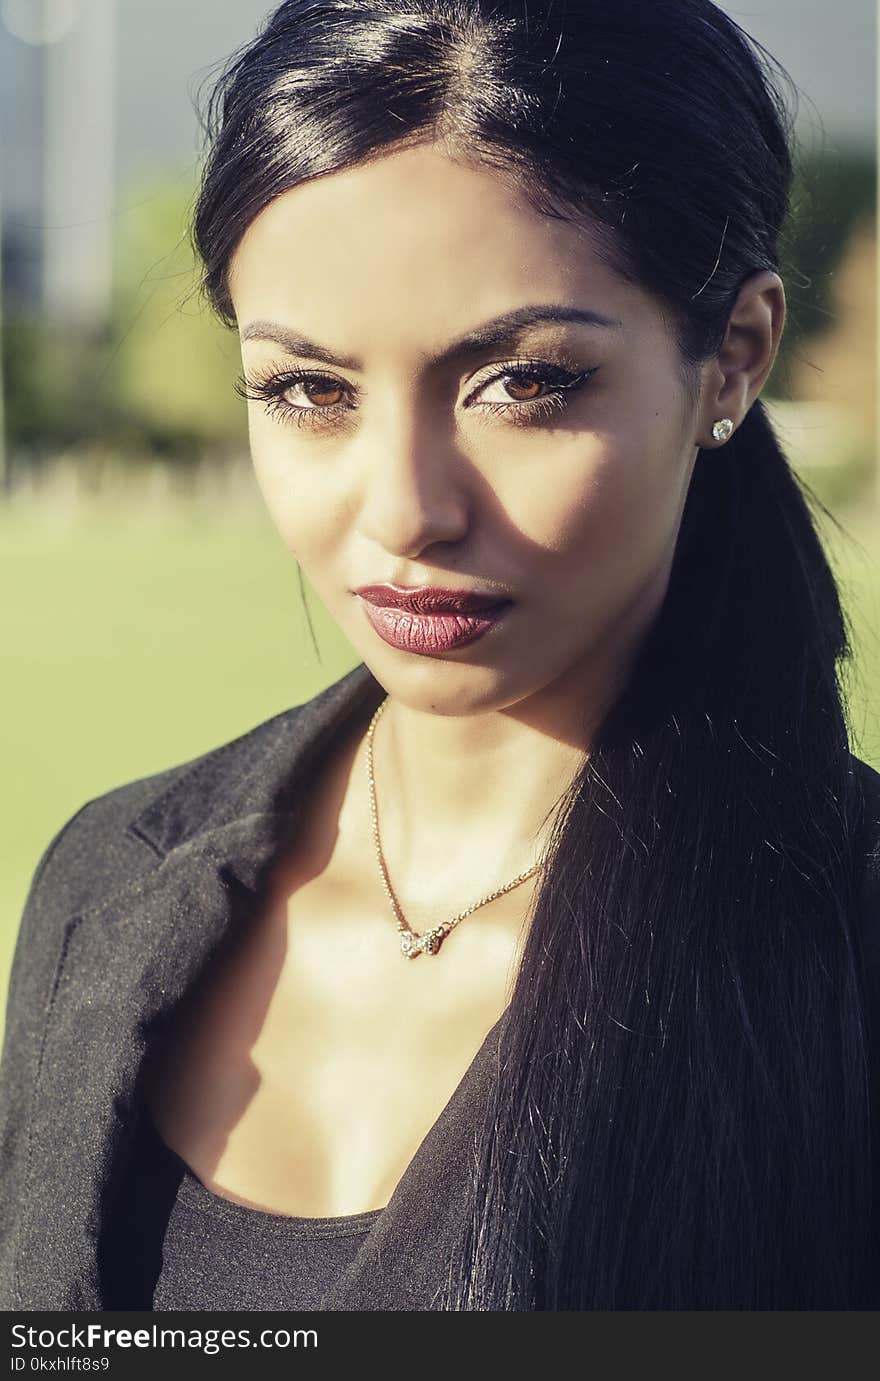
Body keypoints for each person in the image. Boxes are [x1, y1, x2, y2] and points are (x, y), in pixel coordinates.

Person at [1, 0, 878, 1312]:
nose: (405, 508)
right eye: (309, 389)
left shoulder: (844, 950)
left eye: (523, 382)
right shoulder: (107, 879)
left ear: (732, 359)